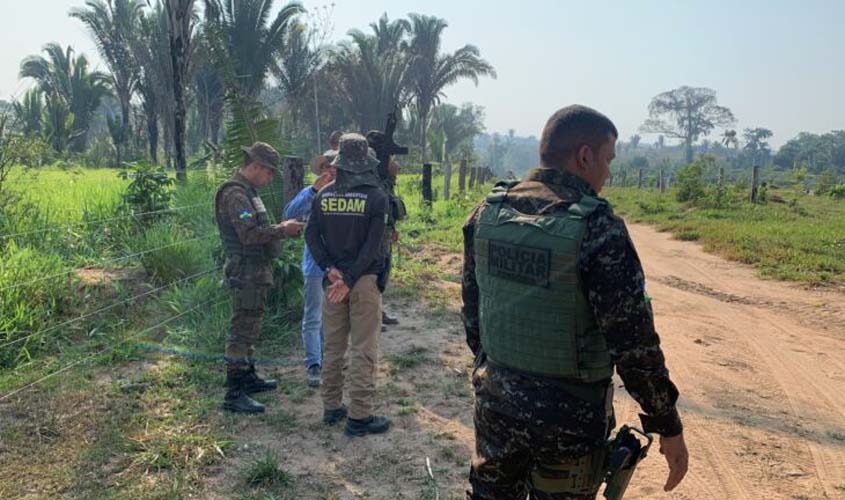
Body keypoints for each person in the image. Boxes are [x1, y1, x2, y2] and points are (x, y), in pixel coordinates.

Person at [462, 105, 689, 498]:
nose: (608, 173)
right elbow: (633, 344)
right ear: (585, 156)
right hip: (569, 421)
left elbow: (473, 313)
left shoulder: (488, 213)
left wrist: (502, 371)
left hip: (496, 405)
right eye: (608, 159)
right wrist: (666, 423)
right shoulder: (598, 227)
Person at [305, 133, 391, 437]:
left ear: (339, 162)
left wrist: (330, 270)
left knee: (333, 346)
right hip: (363, 281)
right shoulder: (377, 197)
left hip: (333, 283)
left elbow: (311, 235)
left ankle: (331, 407)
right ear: (365, 162)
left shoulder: (323, 196)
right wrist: (351, 278)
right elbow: (373, 246)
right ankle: (359, 416)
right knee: (364, 347)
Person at [214, 142, 303, 414]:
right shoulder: (236, 195)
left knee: (251, 325)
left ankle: (248, 378)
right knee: (241, 330)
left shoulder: (248, 192)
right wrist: (283, 230)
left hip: (255, 270)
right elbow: (249, 234)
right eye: (269, 171)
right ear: (255, 166)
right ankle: (234, 392)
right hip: (245, 271)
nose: (271, 177)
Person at [283, 144, 339, 387]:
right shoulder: (310, 192)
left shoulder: (347, 195)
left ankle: (330, 359)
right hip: (315, 265)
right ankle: (314, 364)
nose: (330, 171)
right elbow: (289, 213)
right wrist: (314, 191)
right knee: (314, 315)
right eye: (326, 166)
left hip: (340, 266)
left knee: (334, 316)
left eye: (335, 166)